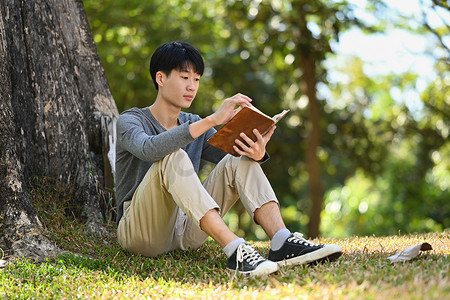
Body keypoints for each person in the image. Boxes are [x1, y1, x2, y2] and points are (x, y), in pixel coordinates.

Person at [115, 41, 342, 276]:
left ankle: (282, 241)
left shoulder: (192, 121)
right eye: (185, 77)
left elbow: (232, 159)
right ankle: (236, 249)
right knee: (172, 156)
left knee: (239, 160)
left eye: (197, 79)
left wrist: (257, 153)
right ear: (161, 79)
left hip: (186, 230)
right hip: (142, 233)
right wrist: (212, 120)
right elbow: (149, 149)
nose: (192, 87)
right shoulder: (130, 120)